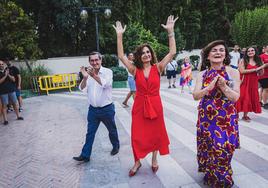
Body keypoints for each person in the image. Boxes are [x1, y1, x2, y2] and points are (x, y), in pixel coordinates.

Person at [113, 15, 178, 176]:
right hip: (140, 107)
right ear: (138, 56)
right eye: (142, 53)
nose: (146, 54)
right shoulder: (135, 70)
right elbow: (121, 56)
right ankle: (137, 162)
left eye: (148, 52)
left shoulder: (159, 67)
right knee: (137, 136)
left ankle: (155, 159)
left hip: (156, 105)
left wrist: (171, 32)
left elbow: (172, 52)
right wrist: (119, 35)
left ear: (151, 54)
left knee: (156, 134)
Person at [193, 40, 240, 187]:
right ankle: (211, 174)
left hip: (226, 116)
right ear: (207, 56)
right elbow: (196, 95)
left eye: (221, 50)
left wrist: (224, 87)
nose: (218, 52)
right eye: (214, 50)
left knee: (224, 147)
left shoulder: (233, 72)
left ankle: (224, 175)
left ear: (225, 54)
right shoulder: (202, 74)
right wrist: (210, 87)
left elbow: (235, 97)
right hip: (207, 117)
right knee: (208, 146)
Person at [73, 52, 120, 163]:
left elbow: (106, 84)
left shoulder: (108, 72)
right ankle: (85, 155)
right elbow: (82, 88)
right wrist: (85, 78)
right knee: (90, 133)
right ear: (89, 62)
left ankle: (116, 146)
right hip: (93, 110)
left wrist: (94, 75)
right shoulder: (87, 74)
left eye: (96, 60)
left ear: (101, 60)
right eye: (92, 61)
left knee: (111, 130)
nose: (94, 63)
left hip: (106, 109)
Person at [236, 46, 264, 121]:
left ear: (255, 52)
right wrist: (255, 69)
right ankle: (236, 114)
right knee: (241, 97)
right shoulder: (243, 60)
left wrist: (261, 69)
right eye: (249, 51)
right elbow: (242, 71)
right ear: (246, 53)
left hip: (253, 82)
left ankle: (245, 115)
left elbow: (261, 73)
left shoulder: (258, 61)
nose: (250, 52)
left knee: (249, 98)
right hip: (244, 81)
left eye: (252, 50)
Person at [0, 60, 24, 125]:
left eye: (2, 64)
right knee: (4, 106)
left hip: (11, 90)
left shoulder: (8, 71)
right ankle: (5, 120)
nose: (1, 65)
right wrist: (5, 76)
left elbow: (13, 79)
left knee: (15, 103)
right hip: (3, 92)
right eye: (0, 64)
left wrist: (8, 75)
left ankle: (18, 116)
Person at [259, 45, 268, 109]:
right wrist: (265, 65)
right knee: (266, 89)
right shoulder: (262, 56)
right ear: (265, 48)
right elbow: (260, 65)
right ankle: (265, 103)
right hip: (264, 75)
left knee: (262, 88)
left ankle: (259, 102)